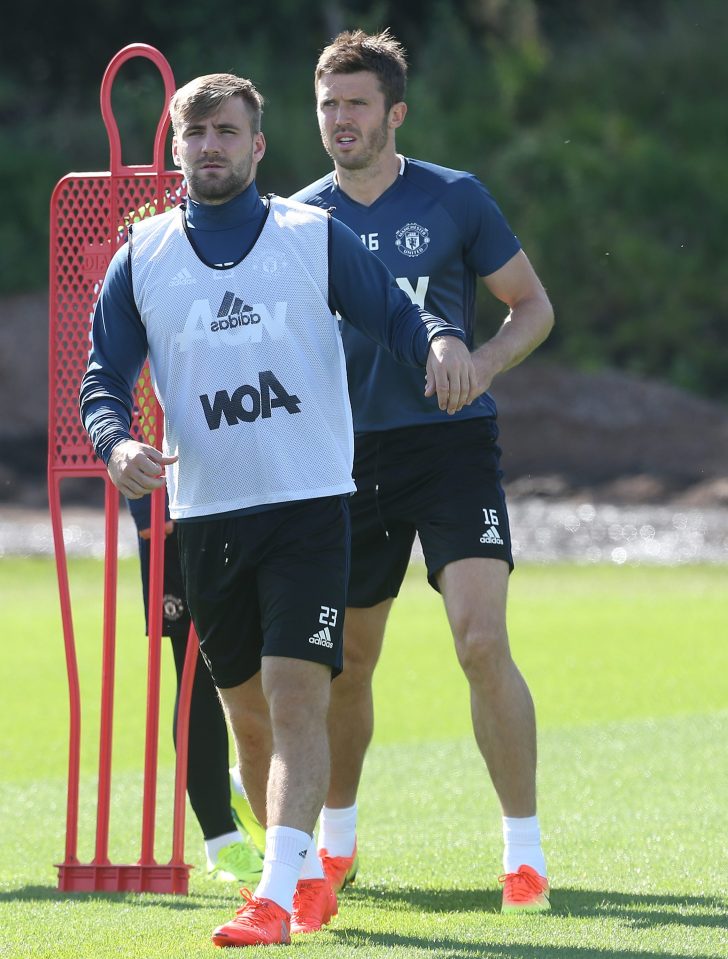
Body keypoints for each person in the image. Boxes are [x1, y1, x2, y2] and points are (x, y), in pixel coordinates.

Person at [79, 72, 476, 948]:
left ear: (259, 146)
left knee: (300, 697)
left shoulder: (313, 237)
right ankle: (294, 876)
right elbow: (101, 379)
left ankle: (273, 899)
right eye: (197, 134)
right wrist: (115, 444)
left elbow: (399, 319)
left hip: (308, 504)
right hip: (208, 517)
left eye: (227, 131)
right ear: (178, 149)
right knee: (249, 721)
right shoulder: (141, 253)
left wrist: (443, 341)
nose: (211, 145)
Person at [291, 29, 555, 912]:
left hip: (450, 446)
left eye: (357, 103)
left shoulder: (455, 198)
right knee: (348, 664)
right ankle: (337, 843)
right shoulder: (295, 220)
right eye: (328, 104)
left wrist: (481, 363)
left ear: (394, 113)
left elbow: (533, 307)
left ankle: (524, 853)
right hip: (346, 457)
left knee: (481, 641)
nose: (340, 120)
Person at [125, 492, 265, 883]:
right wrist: (146, 502)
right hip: (178, 510)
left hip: (257, 500)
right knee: (198, 672)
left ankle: (238, 784)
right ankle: (220, 839)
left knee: (277, 664)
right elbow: (137, 430)